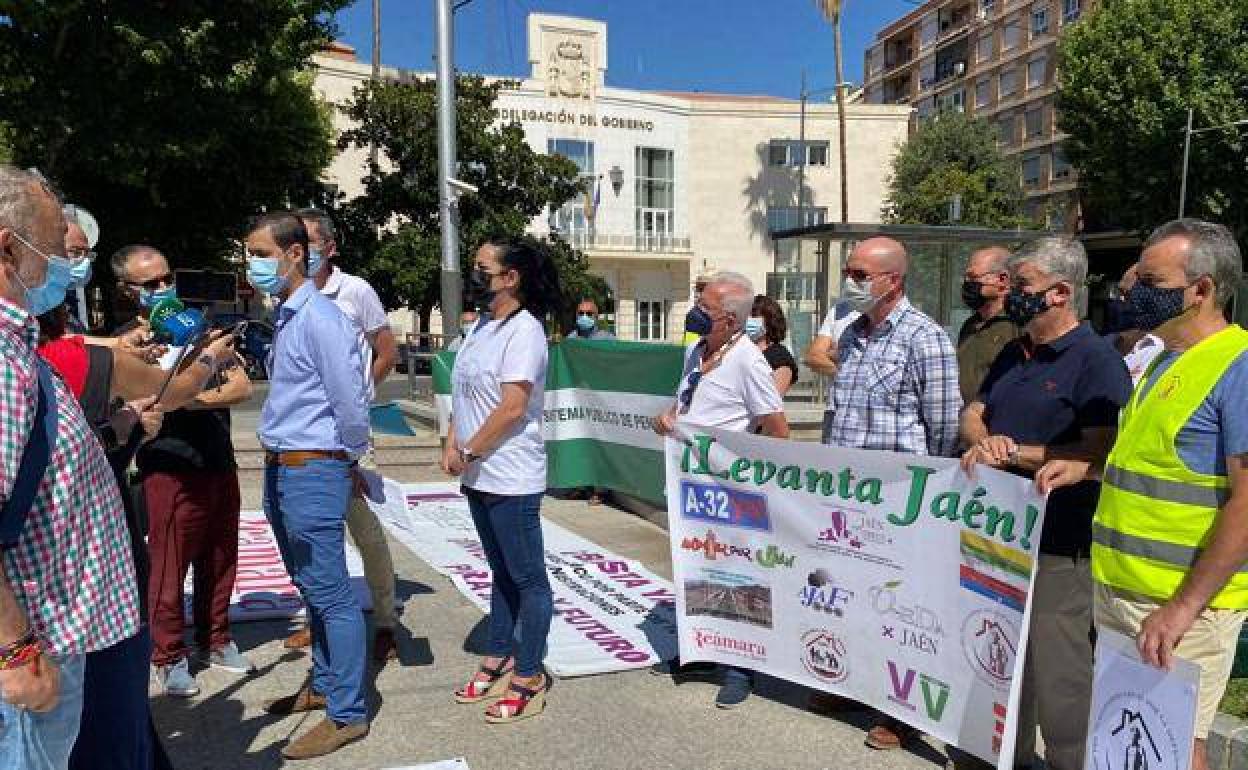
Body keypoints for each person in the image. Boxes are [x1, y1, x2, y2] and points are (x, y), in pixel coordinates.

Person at [1040, 219, 1248, 770]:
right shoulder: (1161, 362)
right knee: (1131, 738)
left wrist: (1182, 608)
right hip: (1122, 594)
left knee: (1176, 747)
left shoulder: (1239, 367)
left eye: (1152, 281)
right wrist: (1085, 471)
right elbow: (1153, 466)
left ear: (1201, 290)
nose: (1131, 292)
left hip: (1181, 606)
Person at [960, 236, 1132, 770]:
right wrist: (980, 440)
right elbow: (975, 410)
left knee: (1061, 671)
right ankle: (1005, 754)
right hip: (1000, 537)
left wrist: (1016, 453)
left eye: (1025, 286)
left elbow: (1099, 450)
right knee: (1003, 658)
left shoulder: (1096, 360)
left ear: (1060, 293)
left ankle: (1067, 761)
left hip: (1062, 542)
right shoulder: (1014, 351)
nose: (1014, 295)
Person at [0, 165, 140, 768]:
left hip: (50, 632)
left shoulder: (18, 347)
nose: (64, 260)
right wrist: (15, 649)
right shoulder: (3, 361)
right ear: (9, 245)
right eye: (58, 243)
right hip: (31, 649)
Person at [810, 236, 962, 750]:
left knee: (902, 609)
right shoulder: (852, 334)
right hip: (850, 500)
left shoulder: (926, 338)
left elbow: (943, 425)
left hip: (901, 504)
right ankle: (854, 684)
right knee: (851, 593)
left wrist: (918, 488)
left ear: (893, 280)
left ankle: (901, 711)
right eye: (848, 272)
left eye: (859, 274)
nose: (849, 283)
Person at [249, 211, 372, 758]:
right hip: (284, 466)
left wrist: (346, 455)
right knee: (310, 587)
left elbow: (350, 398)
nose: (251, 264)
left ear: (294, 254)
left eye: (260, 253)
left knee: (331, 593)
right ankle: (323, 686)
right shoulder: (287, 315)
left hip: (312, 466)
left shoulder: (323, 318)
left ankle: (347, 712)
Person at [112, 244, 255, 698]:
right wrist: (189, 392)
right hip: (169, 466)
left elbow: (241, 385)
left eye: (167, 278)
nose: (163, 289)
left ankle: (216, 639)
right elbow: (143, 403)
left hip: (218, 459)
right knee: (169, 569)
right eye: (150, 284)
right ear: (127, 291)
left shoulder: (202, 331)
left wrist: (189, 398)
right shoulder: (123, 344)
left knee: (221, 559)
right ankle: (167, 655)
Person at [651, 272, 790, 709]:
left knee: (740, 574)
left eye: (704, 306)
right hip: (692, 486)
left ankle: (741, 667)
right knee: (697, 566)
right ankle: (702, 650)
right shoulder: (695, 351)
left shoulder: (748, 360)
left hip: (732, 491)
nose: (695, 309)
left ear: (730, 319)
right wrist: (667, 417)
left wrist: (749, 473)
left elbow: (776, 428)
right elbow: (685, 404)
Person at [443, 236, 562, 723]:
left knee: (529, 578)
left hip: (510, 474)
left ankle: (529, 673)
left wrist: (470, 449)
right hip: (478, 472)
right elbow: (464, 391)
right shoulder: (482, 328)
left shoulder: (525, 332)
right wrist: (452, 441)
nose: (474, 276)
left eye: (481, 268)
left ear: (510, 278)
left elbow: (512, 407)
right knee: (500, 571)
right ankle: (498, 654)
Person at [281, 207, 399, 663]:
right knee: (313, 536)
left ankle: (387, 620)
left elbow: (385, 352)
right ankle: (319, 623)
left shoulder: (355, 291)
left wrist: (358, 397)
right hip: (305, 440)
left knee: (365, 531)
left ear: (329, 247)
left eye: (308, 242)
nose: (300, 251)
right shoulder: (289, 296)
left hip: (346, 437)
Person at [956, 245, 1019, 405]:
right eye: (966, 277)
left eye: (973, 277)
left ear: (1002, 280)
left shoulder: (1017, 326)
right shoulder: (970, 325)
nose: (967, 283)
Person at [804, 298, 861, 439]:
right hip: (835, 410)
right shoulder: (839, 311)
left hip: (869, 413)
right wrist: (845, 371)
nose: (850, 280)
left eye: (859, 275)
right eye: (847, 274)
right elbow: (813, 357)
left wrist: (835, 354)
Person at [1104, 264, 1163, 385]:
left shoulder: (1169, 351)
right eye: (1119, 293)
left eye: (1127, 294)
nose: (1121, 301)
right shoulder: (1108, 344)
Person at [749, 294, 799, 397]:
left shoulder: (779, 357)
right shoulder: (740, 350)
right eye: (745, 315)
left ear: (769, 320)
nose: (748, 320)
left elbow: (772, 400)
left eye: (754, 316)